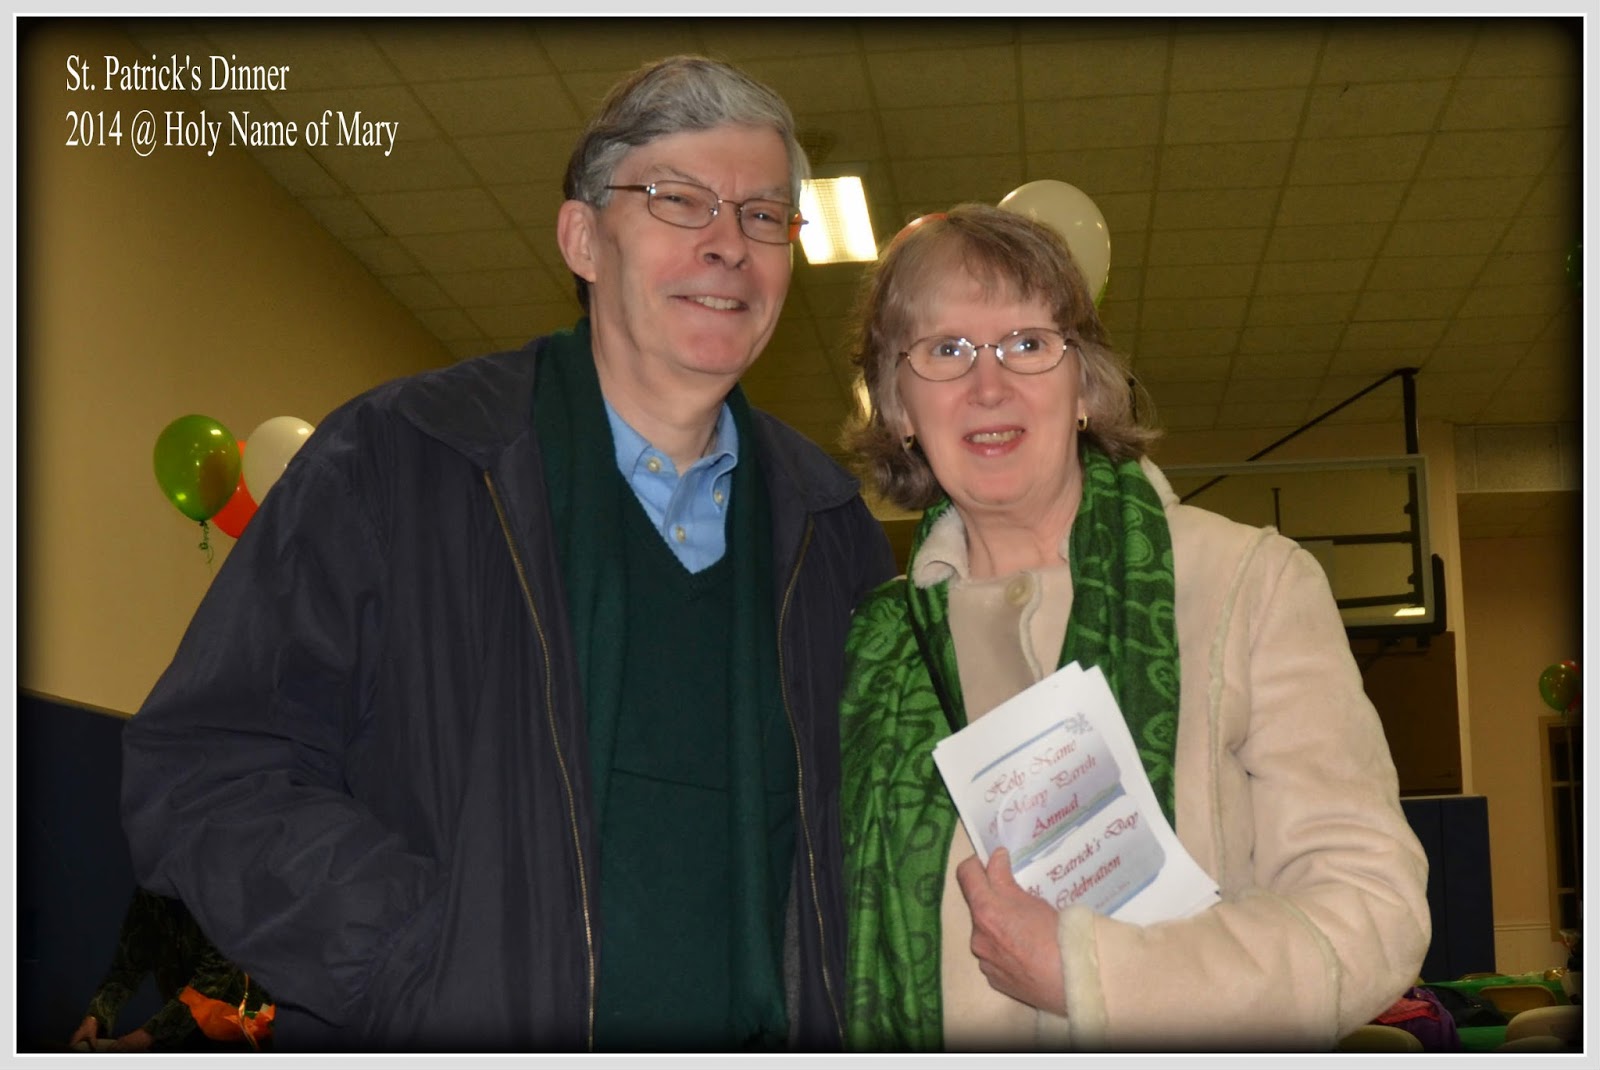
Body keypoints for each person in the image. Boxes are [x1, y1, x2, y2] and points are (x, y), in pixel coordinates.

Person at [120, 55, 895, 1053]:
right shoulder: (401, 460)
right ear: (582, 237)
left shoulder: (831, 531)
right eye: (678, 200)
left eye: (762, 215)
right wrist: (417, 957)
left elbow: (878, 844)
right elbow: (207, 768)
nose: (727, 246)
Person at [837, 204, 1430, 1052]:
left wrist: (1098, 975)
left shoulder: (1244, 584)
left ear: (1085, 384)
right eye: (945, 351)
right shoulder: (873, 648)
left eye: (1028, 344)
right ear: (899, 407)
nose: (989, 385)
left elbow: (1371, 911)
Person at [69, 888, 273, 1052]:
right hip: (185, 1039)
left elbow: (210, 980)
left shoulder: (223, 895)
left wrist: (149, 1034)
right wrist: (95, 1018)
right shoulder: (148, 896)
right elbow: (126, 969)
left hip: (248, 1036)